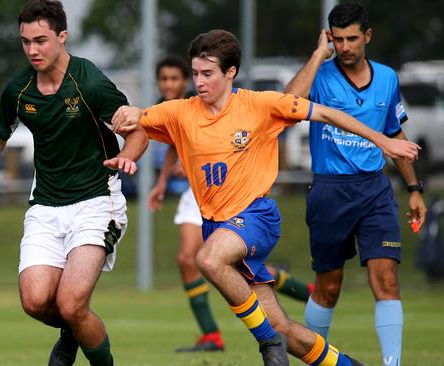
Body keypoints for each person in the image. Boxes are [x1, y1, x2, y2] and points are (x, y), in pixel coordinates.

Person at [111, 29, 419, 365]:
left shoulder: (260, 104)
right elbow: (140, 119)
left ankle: (267, 344)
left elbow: (328, 114)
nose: (199, 82)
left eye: (208, 74)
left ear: (230, 72)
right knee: (283, 327)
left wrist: (385, 142)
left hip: (256, 217)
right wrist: (129, 116)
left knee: (208, 260)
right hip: (217, 225)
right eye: (196, 73)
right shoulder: (180, 111)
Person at [0, 1, 148, 366]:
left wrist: (128, 153)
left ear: (62, 37)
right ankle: (73, 327)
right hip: (46, 205)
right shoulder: (19, 90)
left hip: (97, 200)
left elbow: (139, 130)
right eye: (25, 42)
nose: (32, 50)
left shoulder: (89, 82)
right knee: (35, 301)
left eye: (40, 40)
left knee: (71, 302)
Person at [284, 4, 427, 365]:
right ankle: (316, 356)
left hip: (375, 190)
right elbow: (287, 105)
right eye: (337, 39)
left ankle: (391, 363)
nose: (345, 46)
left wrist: (414, 190)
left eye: (351, 38)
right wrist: (318, 56)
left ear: (367, 36)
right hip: (330, 191)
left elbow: (395, 134)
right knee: (329, 287)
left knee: (387, 281)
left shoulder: (387, 78)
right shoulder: (320, 74)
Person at [148, 56, 314, 353]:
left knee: (212, 260)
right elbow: (175, 147)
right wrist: (161, 183)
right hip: (198, 196)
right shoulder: (170, 109)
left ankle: (296, 300)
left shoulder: (205, 102)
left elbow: (288, 107)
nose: (169, 84)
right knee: (196, 259)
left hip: (231, 195)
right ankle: (213, 333)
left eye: (175, 79)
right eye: (164, 79)